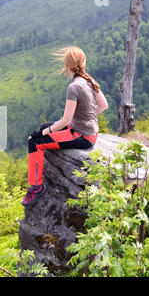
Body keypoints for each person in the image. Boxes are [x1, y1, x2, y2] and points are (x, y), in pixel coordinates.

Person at [21, 46, 109, 207]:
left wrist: (41, 134)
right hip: (89, 132)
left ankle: (36, 187)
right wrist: (86, 118)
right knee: (42, 129)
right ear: (83, 63)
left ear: (67, 66)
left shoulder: (74, 87)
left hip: (81, 135)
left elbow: (65, 121)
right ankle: (37, 179)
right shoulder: (89, 80)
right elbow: (104, 105)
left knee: (35, 142)